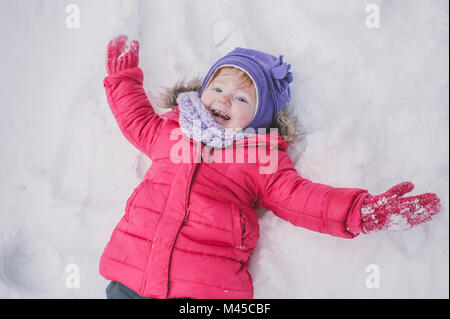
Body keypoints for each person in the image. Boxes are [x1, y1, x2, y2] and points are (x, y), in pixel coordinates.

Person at [100, 35, 441, 299]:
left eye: (241, 98)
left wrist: (359, 211)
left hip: (202, 291)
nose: (223, 99)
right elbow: (135, 119)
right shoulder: (172, 130)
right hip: (129, 278)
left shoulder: (260, 157)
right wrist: (122, 79)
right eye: (217, 88)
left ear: (259, 119)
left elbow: (302, 199)